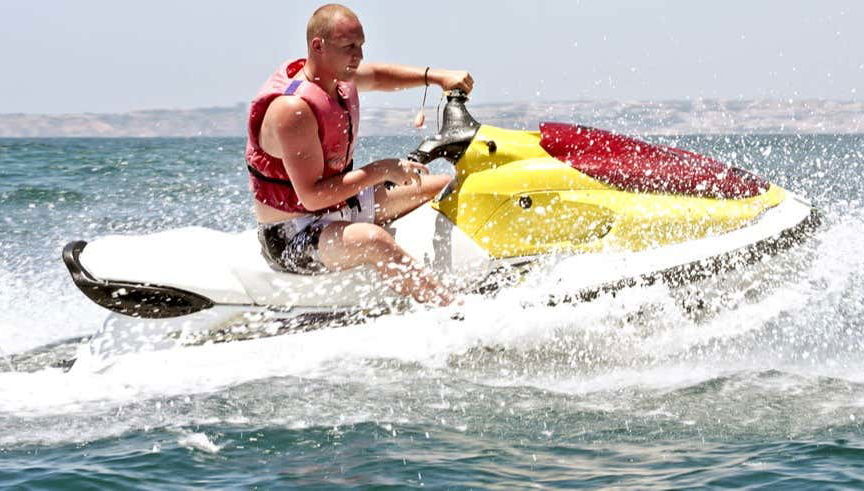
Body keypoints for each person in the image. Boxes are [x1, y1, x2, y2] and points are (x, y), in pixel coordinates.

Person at [246, 4, 473, 306]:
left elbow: (378, 77)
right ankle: (453, 310)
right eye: (349, 47)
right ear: (318, 46)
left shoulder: (338, 76)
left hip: (344, 206)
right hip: (294, 234)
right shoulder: (293, 110)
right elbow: (312, 198)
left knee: (446, 186)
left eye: (361, 45)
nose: (359, 55)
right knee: (374, 240)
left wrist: (436, 77)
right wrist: (380, 170)